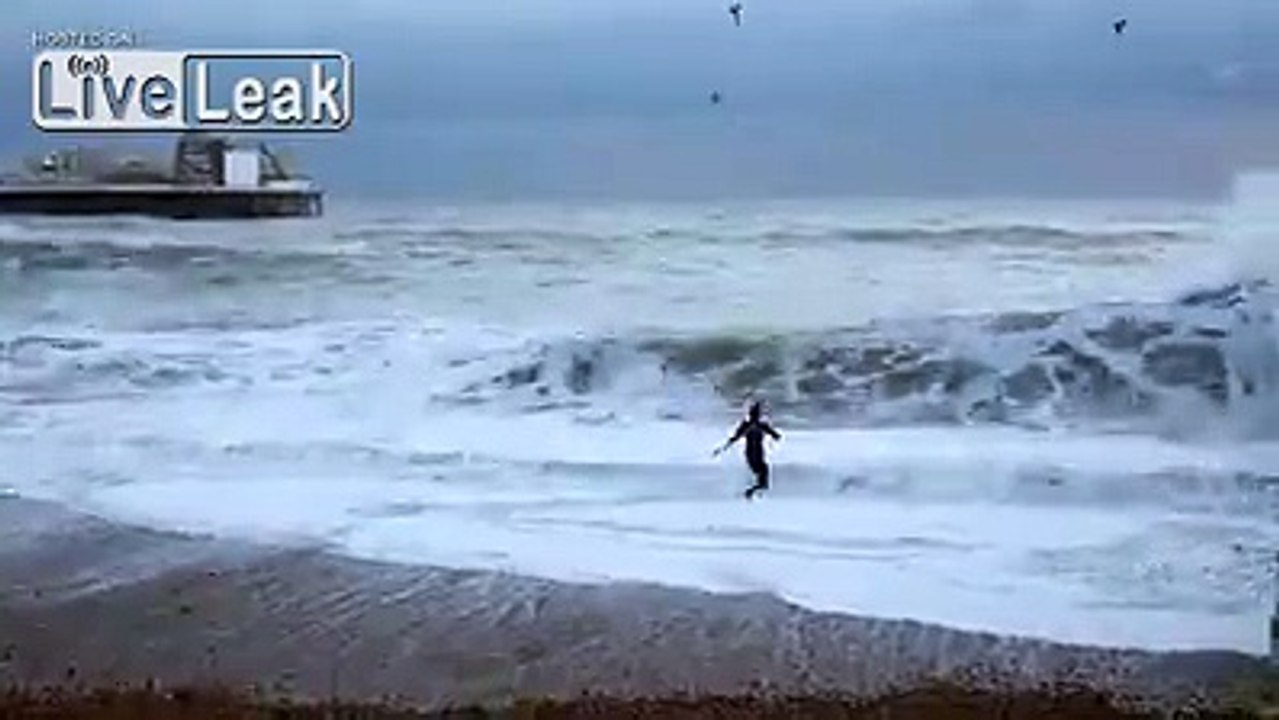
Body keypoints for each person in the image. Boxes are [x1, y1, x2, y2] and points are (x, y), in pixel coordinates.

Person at [713, 401, 782, 499]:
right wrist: (723, 448)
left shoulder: (749, 425)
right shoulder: (757, 425)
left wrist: (723, 447)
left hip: (752, 454)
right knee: (762, 474)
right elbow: (775, 435)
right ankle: (750, 493)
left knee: (761, 474)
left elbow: (734, 438)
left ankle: (752, 492)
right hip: (755, 454)